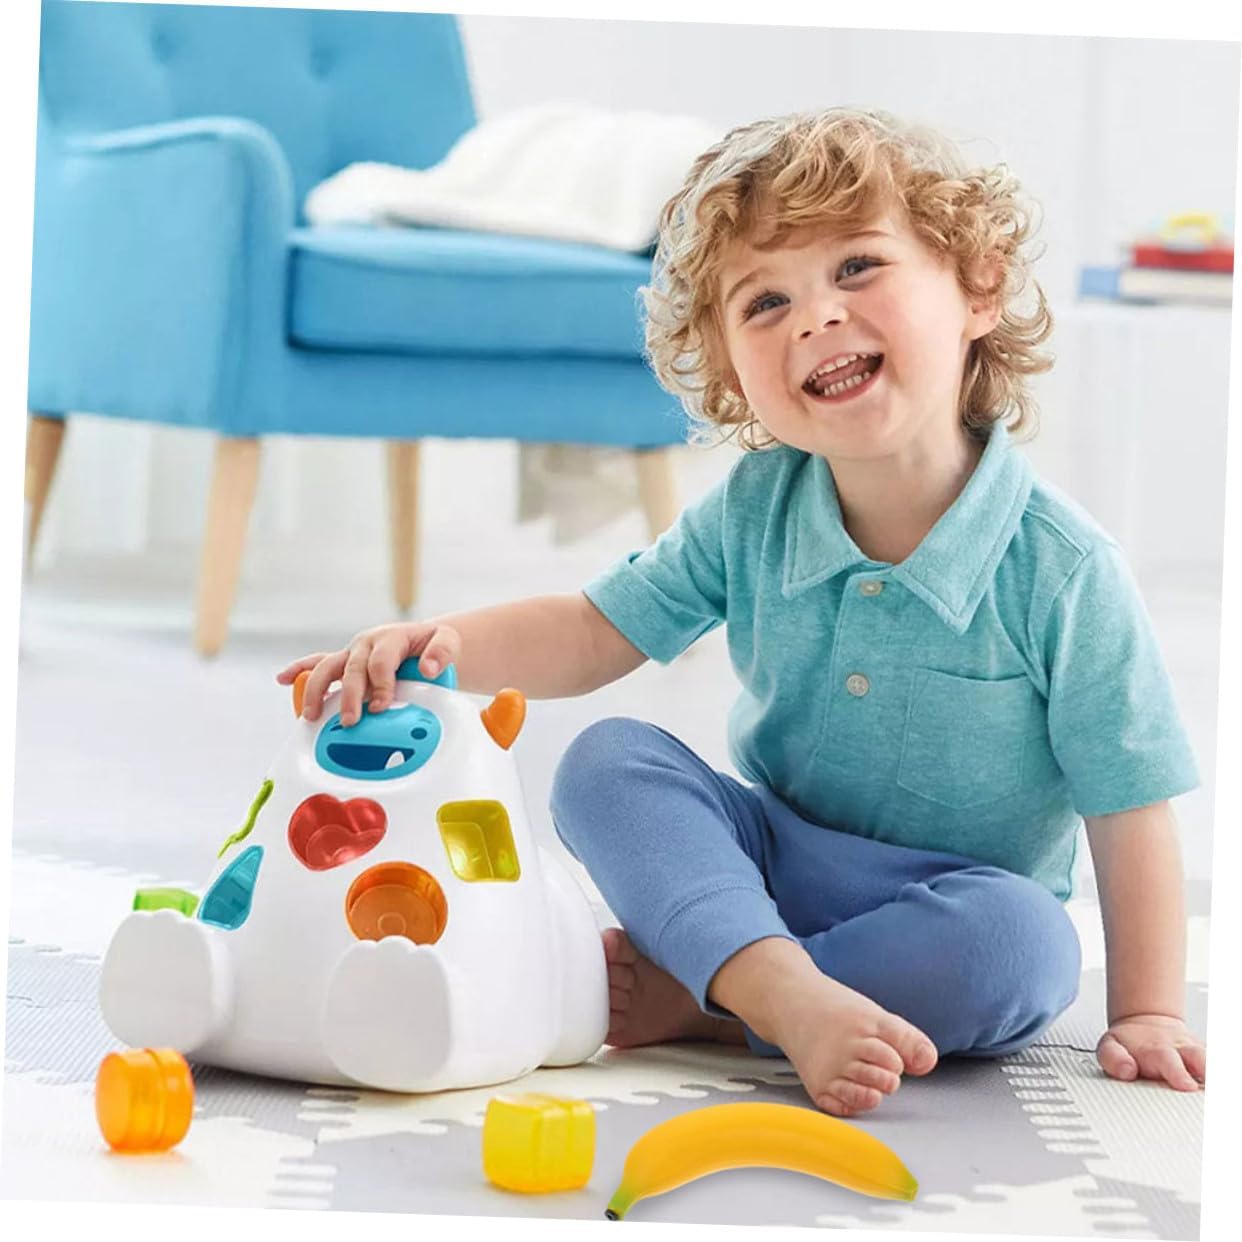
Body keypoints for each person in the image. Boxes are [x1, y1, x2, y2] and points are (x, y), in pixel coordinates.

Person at [278, 108, 1208, 1117]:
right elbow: (594, 631)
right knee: (607, 761)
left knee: (1026, 949)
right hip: (764, 861)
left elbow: (1129, 805)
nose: (815, 317)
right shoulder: (756, 507)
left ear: (977, 289)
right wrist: (442, 650)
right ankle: (767, 980)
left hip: (952, 907)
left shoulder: (1064, 569)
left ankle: (720, 995)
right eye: (766, 301)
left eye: (857, 267)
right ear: (730, 372)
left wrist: (1149, 1012)